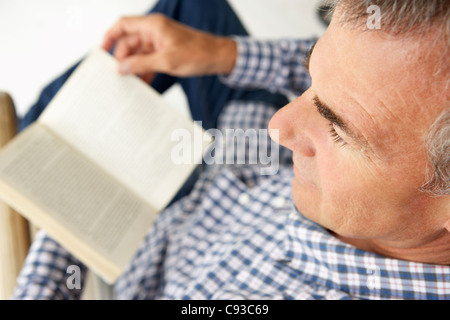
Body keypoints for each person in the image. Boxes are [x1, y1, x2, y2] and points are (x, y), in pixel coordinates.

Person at [12, 0, 449, 300]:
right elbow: (367, 78)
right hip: (238, 177)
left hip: (157, 243)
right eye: (310, 76)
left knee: (34, 143)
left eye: (338, 131)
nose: (280, 125)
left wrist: (64, 204)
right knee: (194, 10)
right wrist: (222, 54)